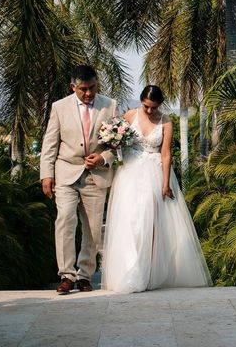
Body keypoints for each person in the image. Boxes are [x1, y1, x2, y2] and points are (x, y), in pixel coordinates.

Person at [102, 85, 212, 292]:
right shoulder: (129, 115)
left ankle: (149, 272)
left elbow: (166, 154)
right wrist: (113, 142)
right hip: (130, 172)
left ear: (159, 105)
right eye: (146, 106)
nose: (150, 111)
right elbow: (118, 141)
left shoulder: (166, 121)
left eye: (154, 107)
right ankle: (129, 271)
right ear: (141, 101)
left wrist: (165, 183)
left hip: (154, 171)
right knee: (130, 220)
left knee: (149, 221)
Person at [40, 65, 117, 294]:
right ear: (72, 86)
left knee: (93, 228)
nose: (88, 93)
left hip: (96, 175)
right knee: (65, 219)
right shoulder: (59, 107)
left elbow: (118, 144)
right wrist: (46, 174)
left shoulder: (110, 105)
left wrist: (103, 158)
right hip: (66, 172)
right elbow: (50, 143)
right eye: (83, 89)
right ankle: (66, 275)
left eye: (92, 88)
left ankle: (85, 275)